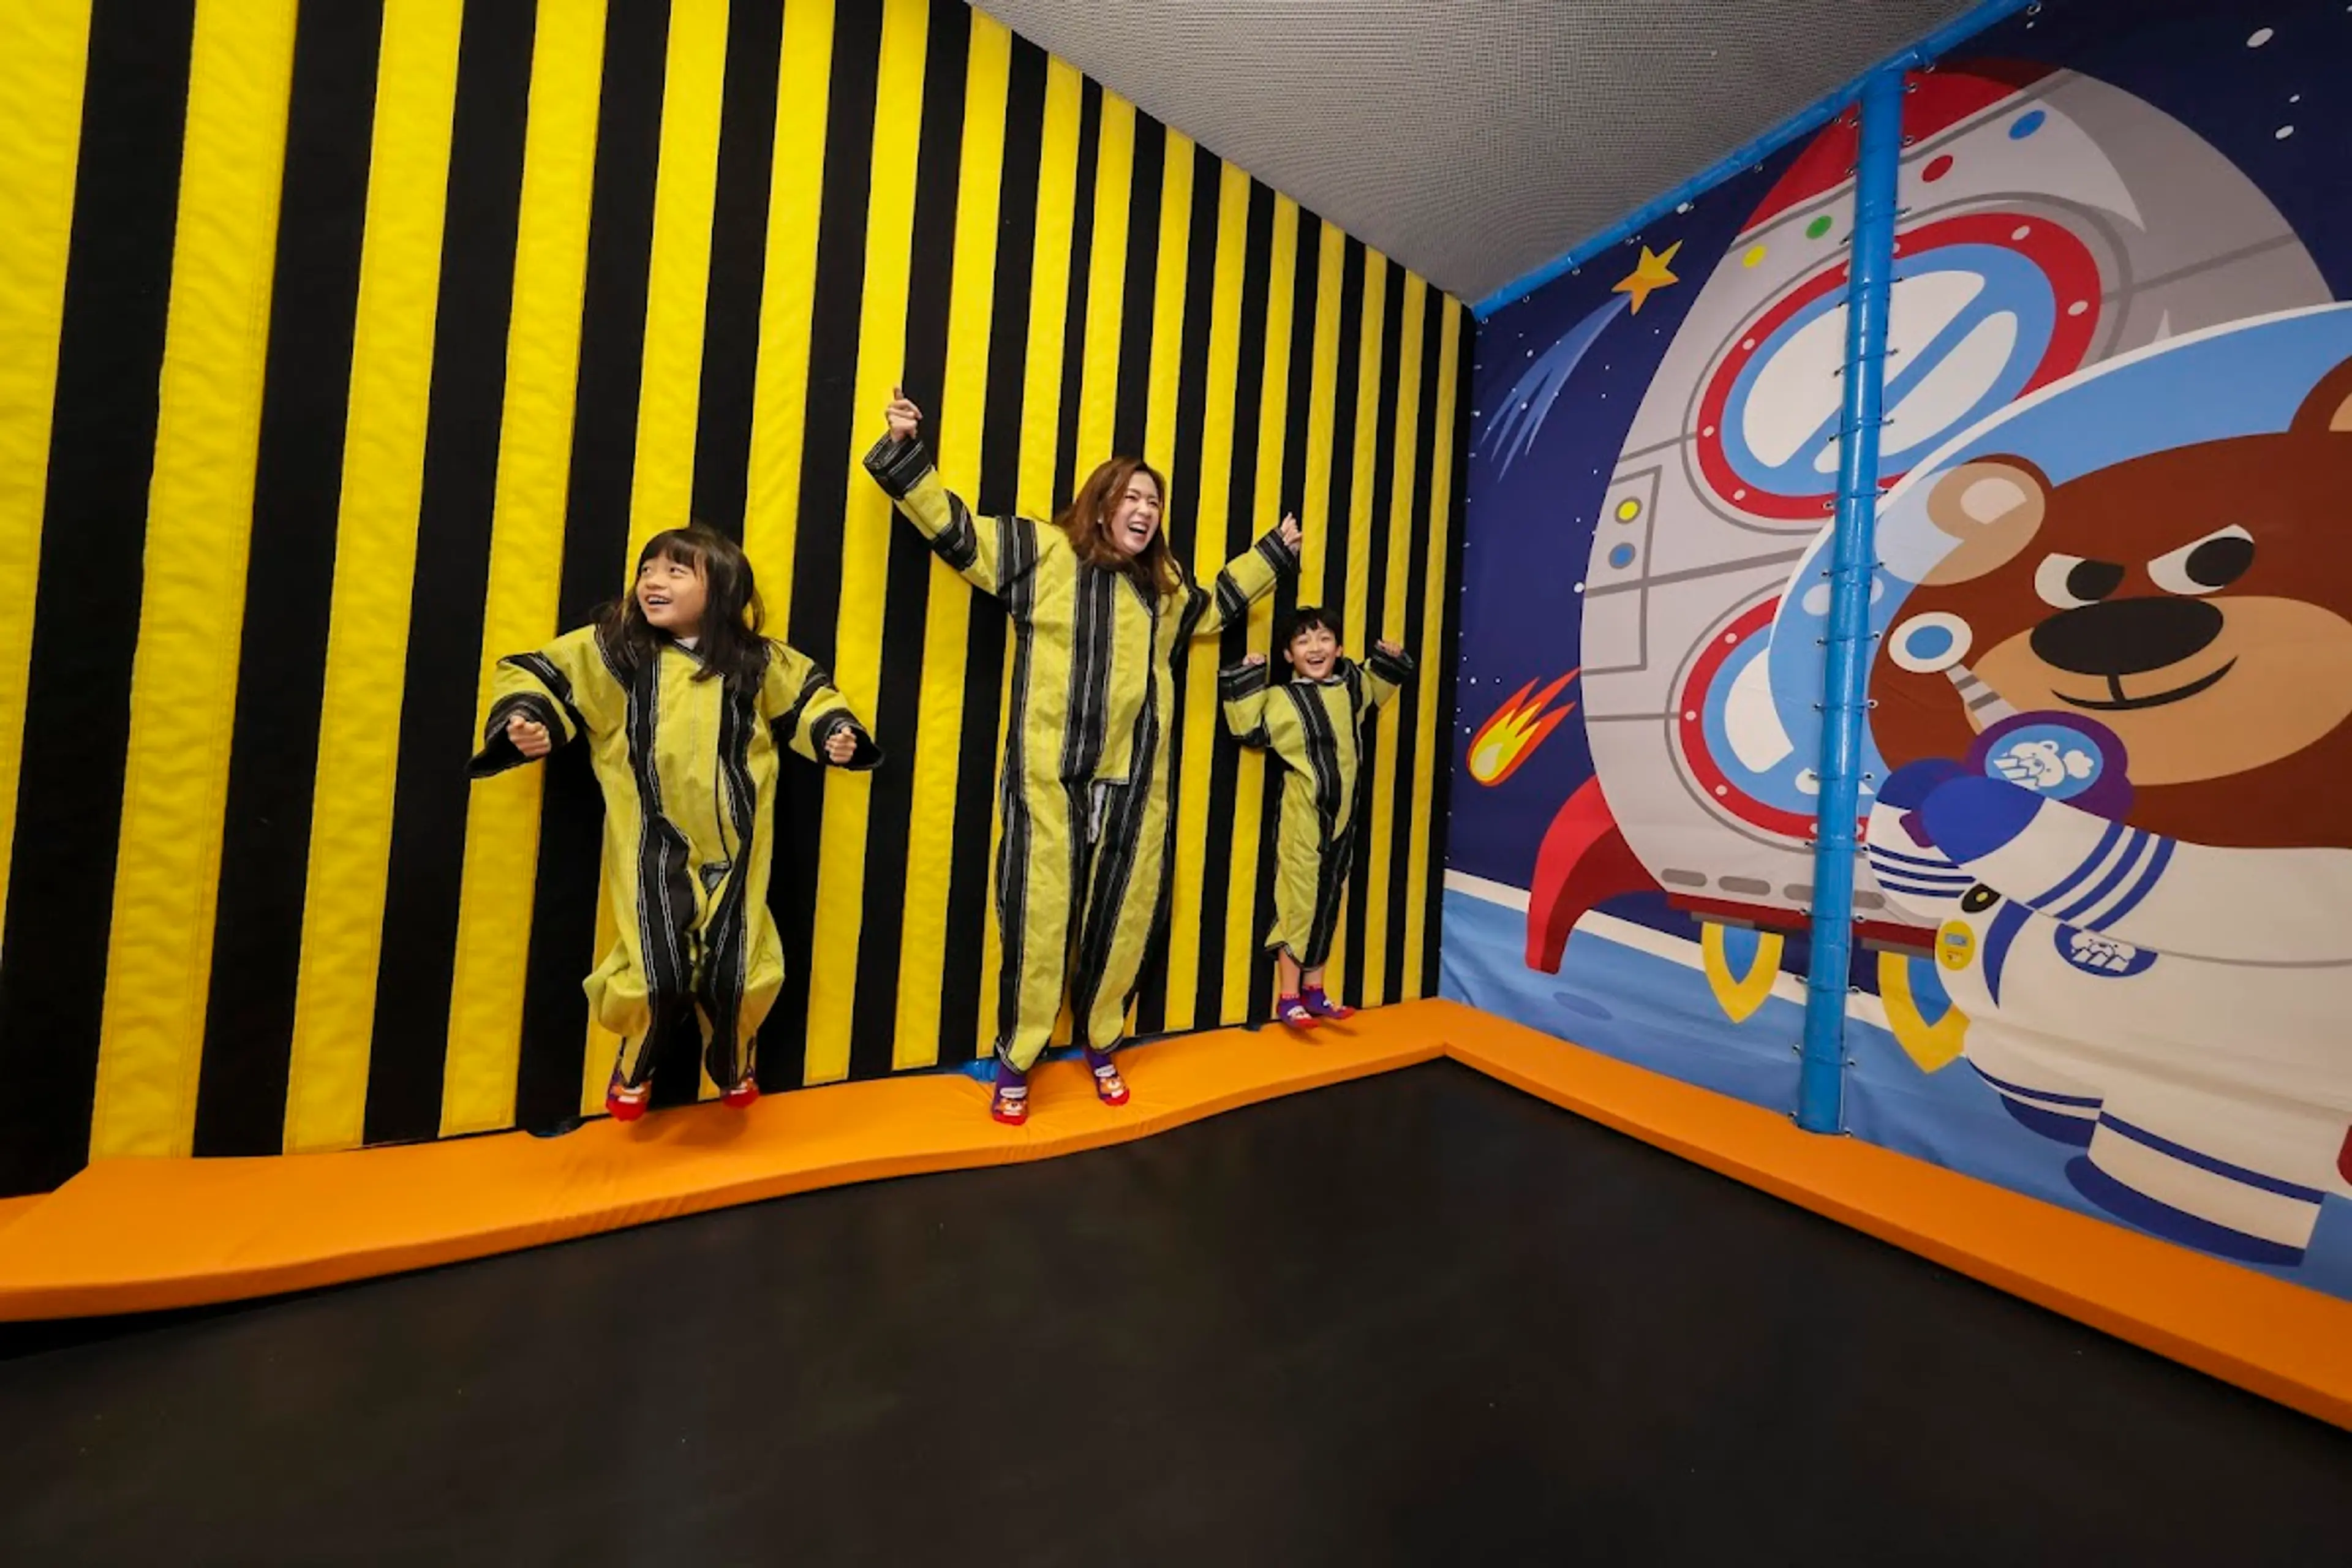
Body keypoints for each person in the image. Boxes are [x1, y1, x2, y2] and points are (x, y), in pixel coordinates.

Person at [865, 387, 1300, 1124]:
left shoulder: (1162, 586)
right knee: (1039, 916)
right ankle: (1018, 1056)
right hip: (1050, 773)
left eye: (1154, 502)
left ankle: (1102, 1040)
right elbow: (958, 533)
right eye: (1132, 496)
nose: (1145, 510)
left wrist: (1271, 556)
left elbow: (1213, 607)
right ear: (1101, 505)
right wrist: (908, 454)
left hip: (1135, 780)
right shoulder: (1042, 552)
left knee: (1126, 917)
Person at [470, 525, 879, 1122]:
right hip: (652, 844)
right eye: (647, 570)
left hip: (737, 846)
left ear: (723, 587)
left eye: (675, 571)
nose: (653, 582)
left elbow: (810, 697)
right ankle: (637, 1056)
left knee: (737, 969)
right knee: (657, 972)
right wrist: (527, 721)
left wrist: (835, 733)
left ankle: (734, 1054)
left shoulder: (755, 662)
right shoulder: (619, 653)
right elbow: (540, 675)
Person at [1219, 605, 1413, 1028]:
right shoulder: (1281, 699)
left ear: (1339, 649)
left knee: (1329, 897)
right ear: (1289, 655)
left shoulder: (1351, 687)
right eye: (1303, 640)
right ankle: (1288, 997)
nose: (1315, 647)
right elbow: (1246, 727)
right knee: (1299, 898)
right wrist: (1249, 672)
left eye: (1325, 638)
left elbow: (1379, 686)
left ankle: (1315, 989)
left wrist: (1389, 657)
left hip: (1345, 816)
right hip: (1304, 815)